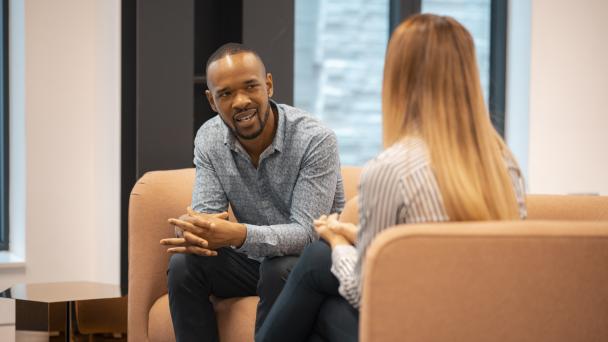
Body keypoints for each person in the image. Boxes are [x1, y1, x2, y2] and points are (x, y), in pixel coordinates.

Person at [255, 14, 527, 342]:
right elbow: (436, 248)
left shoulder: (392, 169)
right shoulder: (503, 164)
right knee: (316, 271)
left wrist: (338, 242)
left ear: (398, 79)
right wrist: (349, 232)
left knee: (318, 284)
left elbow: (366, 290)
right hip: (481, 326)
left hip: (416, 328)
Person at [160, 43, 345, 342]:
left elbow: (308, 234)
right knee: (185, 264)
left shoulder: (315, 139)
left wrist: (239, 235)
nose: (240, 101)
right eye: (226, 94)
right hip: (251, 263)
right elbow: (208, 215)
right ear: (211, 100)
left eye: (250, 87)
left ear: (268, 85)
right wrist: (194, 229)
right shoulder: (209, 137)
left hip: (308, 263)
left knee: (278, 267)